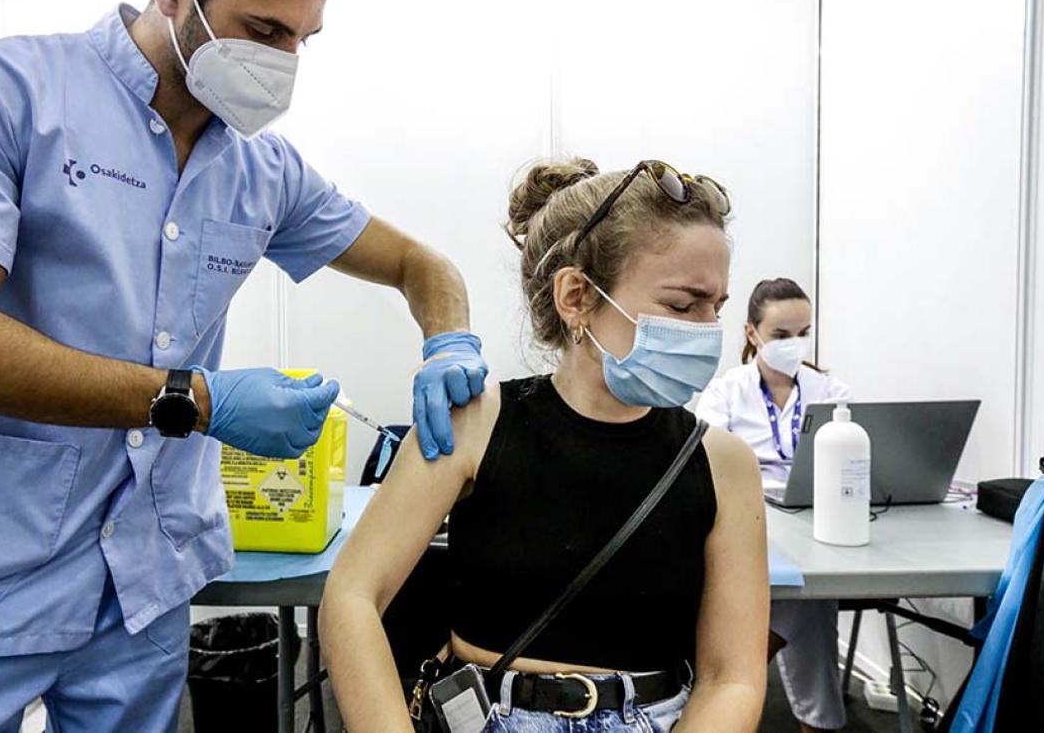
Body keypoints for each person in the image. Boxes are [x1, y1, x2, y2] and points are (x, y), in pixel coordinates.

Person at [0, 0, 488, 731]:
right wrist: (195, 401)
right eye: (263, 31)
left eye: (303, 39)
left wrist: (450, 342)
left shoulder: (260, 171)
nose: (283, 63)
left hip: (139, 596)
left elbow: (421, 265)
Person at [320, 158, 769, 733]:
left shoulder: (723, 464)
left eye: (717, 308)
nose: (706, 330)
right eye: (682, 306)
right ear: (576, 296)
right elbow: (353, 596)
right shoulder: (476, 424)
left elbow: (732, 678)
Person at [696, 278, 852, 733]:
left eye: (804, 333)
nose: (795, 345)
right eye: (782, 335)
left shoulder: (831, 392)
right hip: (744, 516)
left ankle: (727, 676)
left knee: (810, 588)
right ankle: (817, 723)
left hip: (814, 517)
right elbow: (705, 464)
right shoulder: (726, 393)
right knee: (811, 598)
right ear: (752, 332)